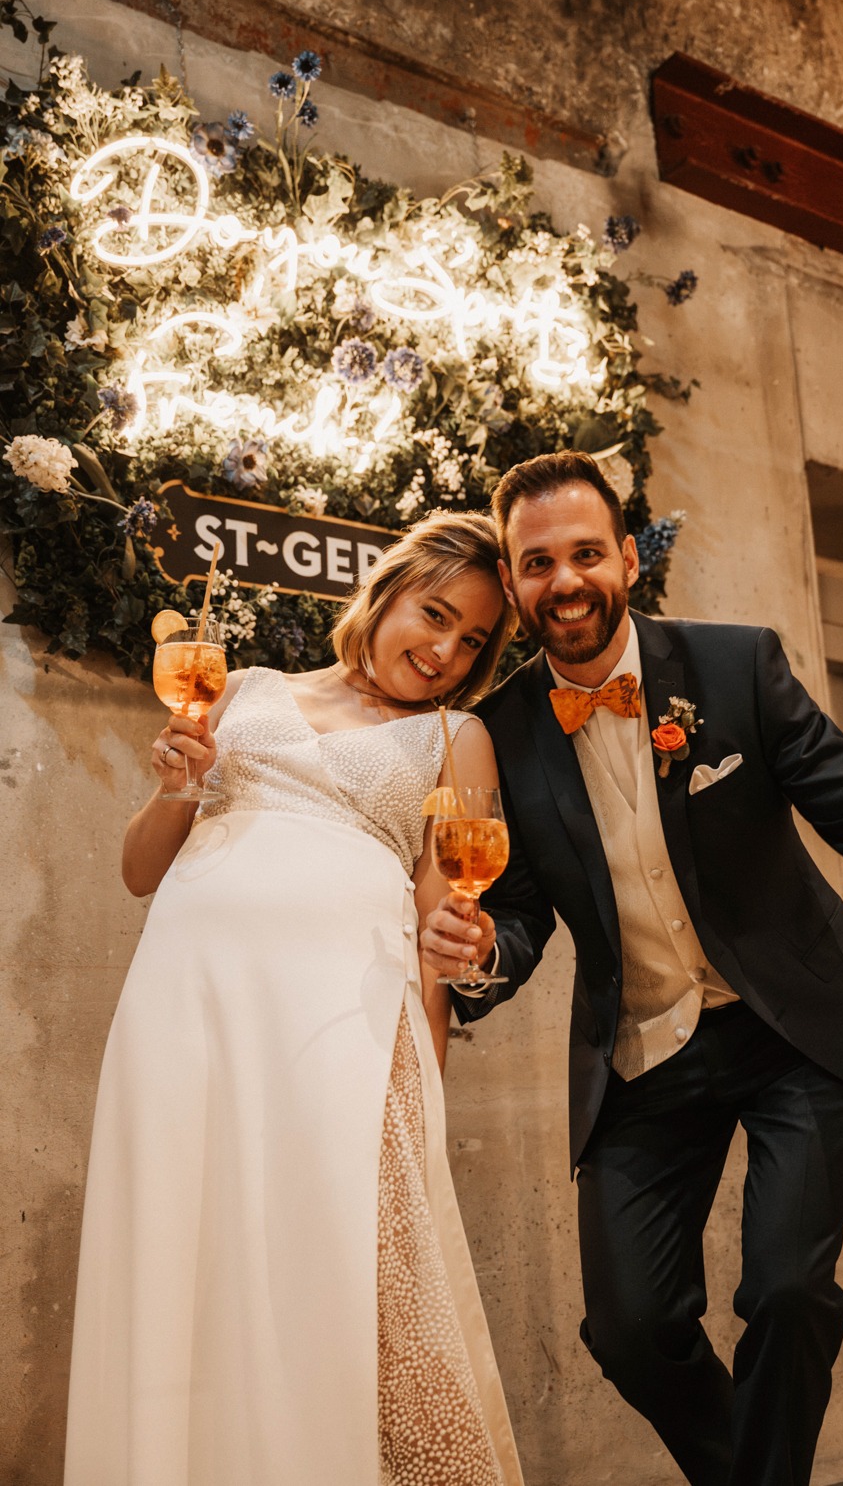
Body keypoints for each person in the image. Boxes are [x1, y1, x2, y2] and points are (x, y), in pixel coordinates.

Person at [421, 451, 843, 1486]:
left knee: (786, 1290)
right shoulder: (497, 731)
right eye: (538, 563)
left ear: (627, 558)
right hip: (642, 1051)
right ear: (510, 583)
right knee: (630, 1328)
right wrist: (482, 960)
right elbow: (519, 910)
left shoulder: (736, 667)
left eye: (585, 554)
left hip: (793, 1032)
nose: (565, 581)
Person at [64, 510, 522, 1486]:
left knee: (347, 1280)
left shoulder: (457, 735)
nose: (444, 651)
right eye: (435, 614)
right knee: (187, 1249)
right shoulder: (245, 689)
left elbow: (443, 929)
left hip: (342, 1028)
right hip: (188, 1007)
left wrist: (435, 1065)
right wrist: (177, 787)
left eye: (472, 639)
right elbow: (140, 872)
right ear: (387, 593)